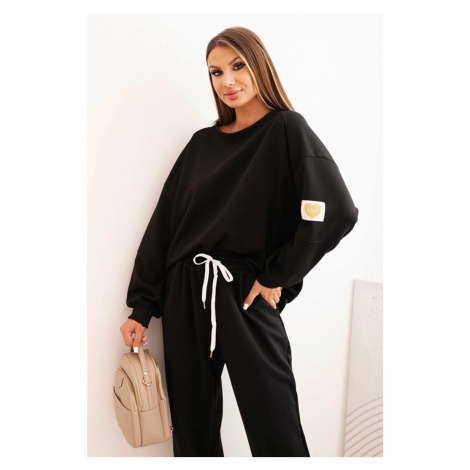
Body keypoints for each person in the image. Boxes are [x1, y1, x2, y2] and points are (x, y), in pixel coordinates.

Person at [119, 26, 359, 457]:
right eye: (215, 72)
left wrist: (277, 275)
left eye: (237, 66)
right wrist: (142, 306)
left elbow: (334, 211)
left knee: (276, 429)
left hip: (245, 293)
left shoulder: (286, 129)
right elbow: (165, 228)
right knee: (192, 431)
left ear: (259, 65)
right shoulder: (201, 144)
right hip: (185, 294)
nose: (227, 81)